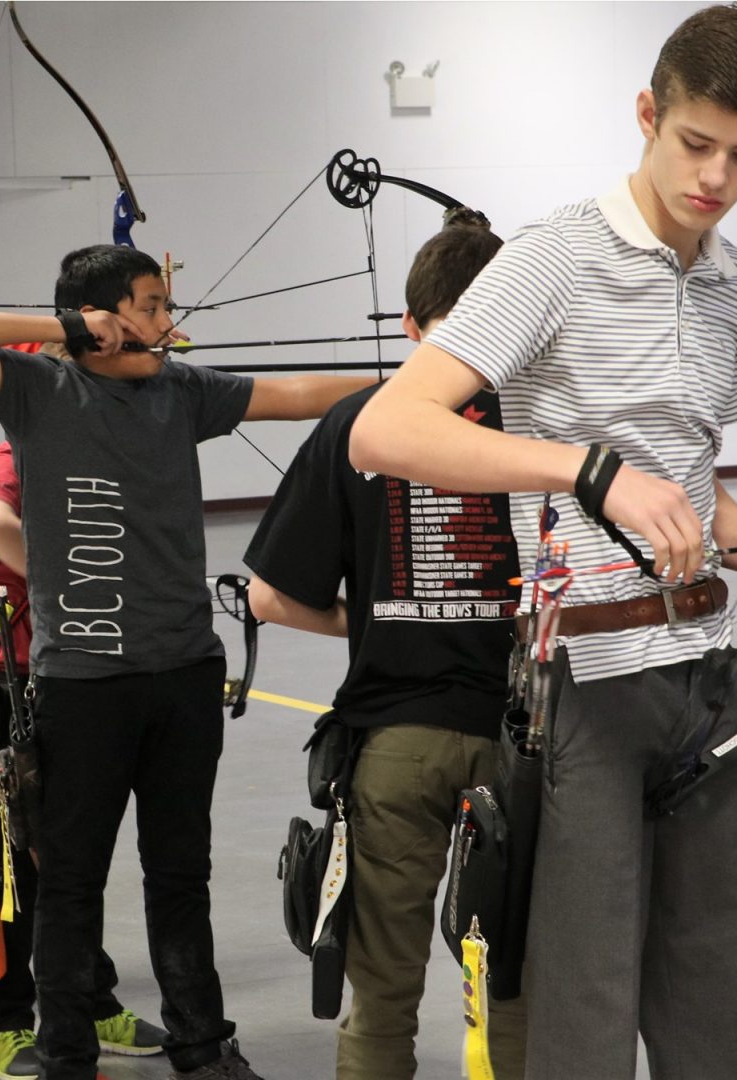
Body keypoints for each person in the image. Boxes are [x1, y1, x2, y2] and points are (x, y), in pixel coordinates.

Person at [349, 8, 737, 1077]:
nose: (717, 175)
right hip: (583, 682)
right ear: (648, 115)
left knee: (718, 1002)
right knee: (583, 1009)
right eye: (696, 143)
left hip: (706, 677)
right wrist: (587, 468)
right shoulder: (555, 257)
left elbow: (691, 488)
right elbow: (387, 429)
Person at [0, 244, 375, 1080]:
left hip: (183, 674)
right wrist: (61, 329)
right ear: (103, 318)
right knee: (72, 883)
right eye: (153, 306)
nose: (169, 323)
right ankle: (66, 1055)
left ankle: (201, 1044)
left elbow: (297, 394)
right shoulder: (39, 390)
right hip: (82, 688)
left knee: (178, 874)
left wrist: (410, 384)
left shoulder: (181, 391)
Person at [241, 219, 524, 1079]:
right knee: (512, 986)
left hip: (394, 740)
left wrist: (374, 616)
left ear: (410, 324)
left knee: (382, 996)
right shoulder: (538, 420)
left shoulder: (358, 423)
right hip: (521, 742)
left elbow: (268, 595)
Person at [0, 438, 167, 1079]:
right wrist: (78, 579)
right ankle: (6, 1022)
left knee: (76, 860)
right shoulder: (14, 454)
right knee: (14, 864)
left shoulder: (105, 457)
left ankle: (88, 1000)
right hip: (11, 676)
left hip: (85, 676)